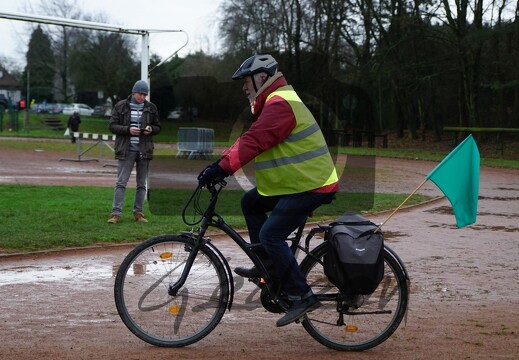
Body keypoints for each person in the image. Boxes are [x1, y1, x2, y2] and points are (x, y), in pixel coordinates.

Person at [197, 54, 339, 327]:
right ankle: (269, 268)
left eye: (246, 80)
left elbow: (255, 141)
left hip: (313, 185)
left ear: (262, 77)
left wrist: (221, 169)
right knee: (251, 203)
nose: (243, 87)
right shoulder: (275, 102)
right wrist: (218, 164)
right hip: (297, 182)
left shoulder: (281, 103)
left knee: (270, 235)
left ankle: (301, 295)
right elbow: (249, 139)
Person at [107, 80, 161, 224]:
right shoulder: (120, 106)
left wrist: (151, 129)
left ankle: (138, 213)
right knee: (121, 182)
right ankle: (116, 213)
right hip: (126, 150)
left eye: (144, 95)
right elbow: (112, 126)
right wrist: (128, 130)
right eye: (140, 94)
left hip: (144, 150)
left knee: (141, 184)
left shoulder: (151, 108)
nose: (142, 97)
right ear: (133, 92)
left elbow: (158, 126)